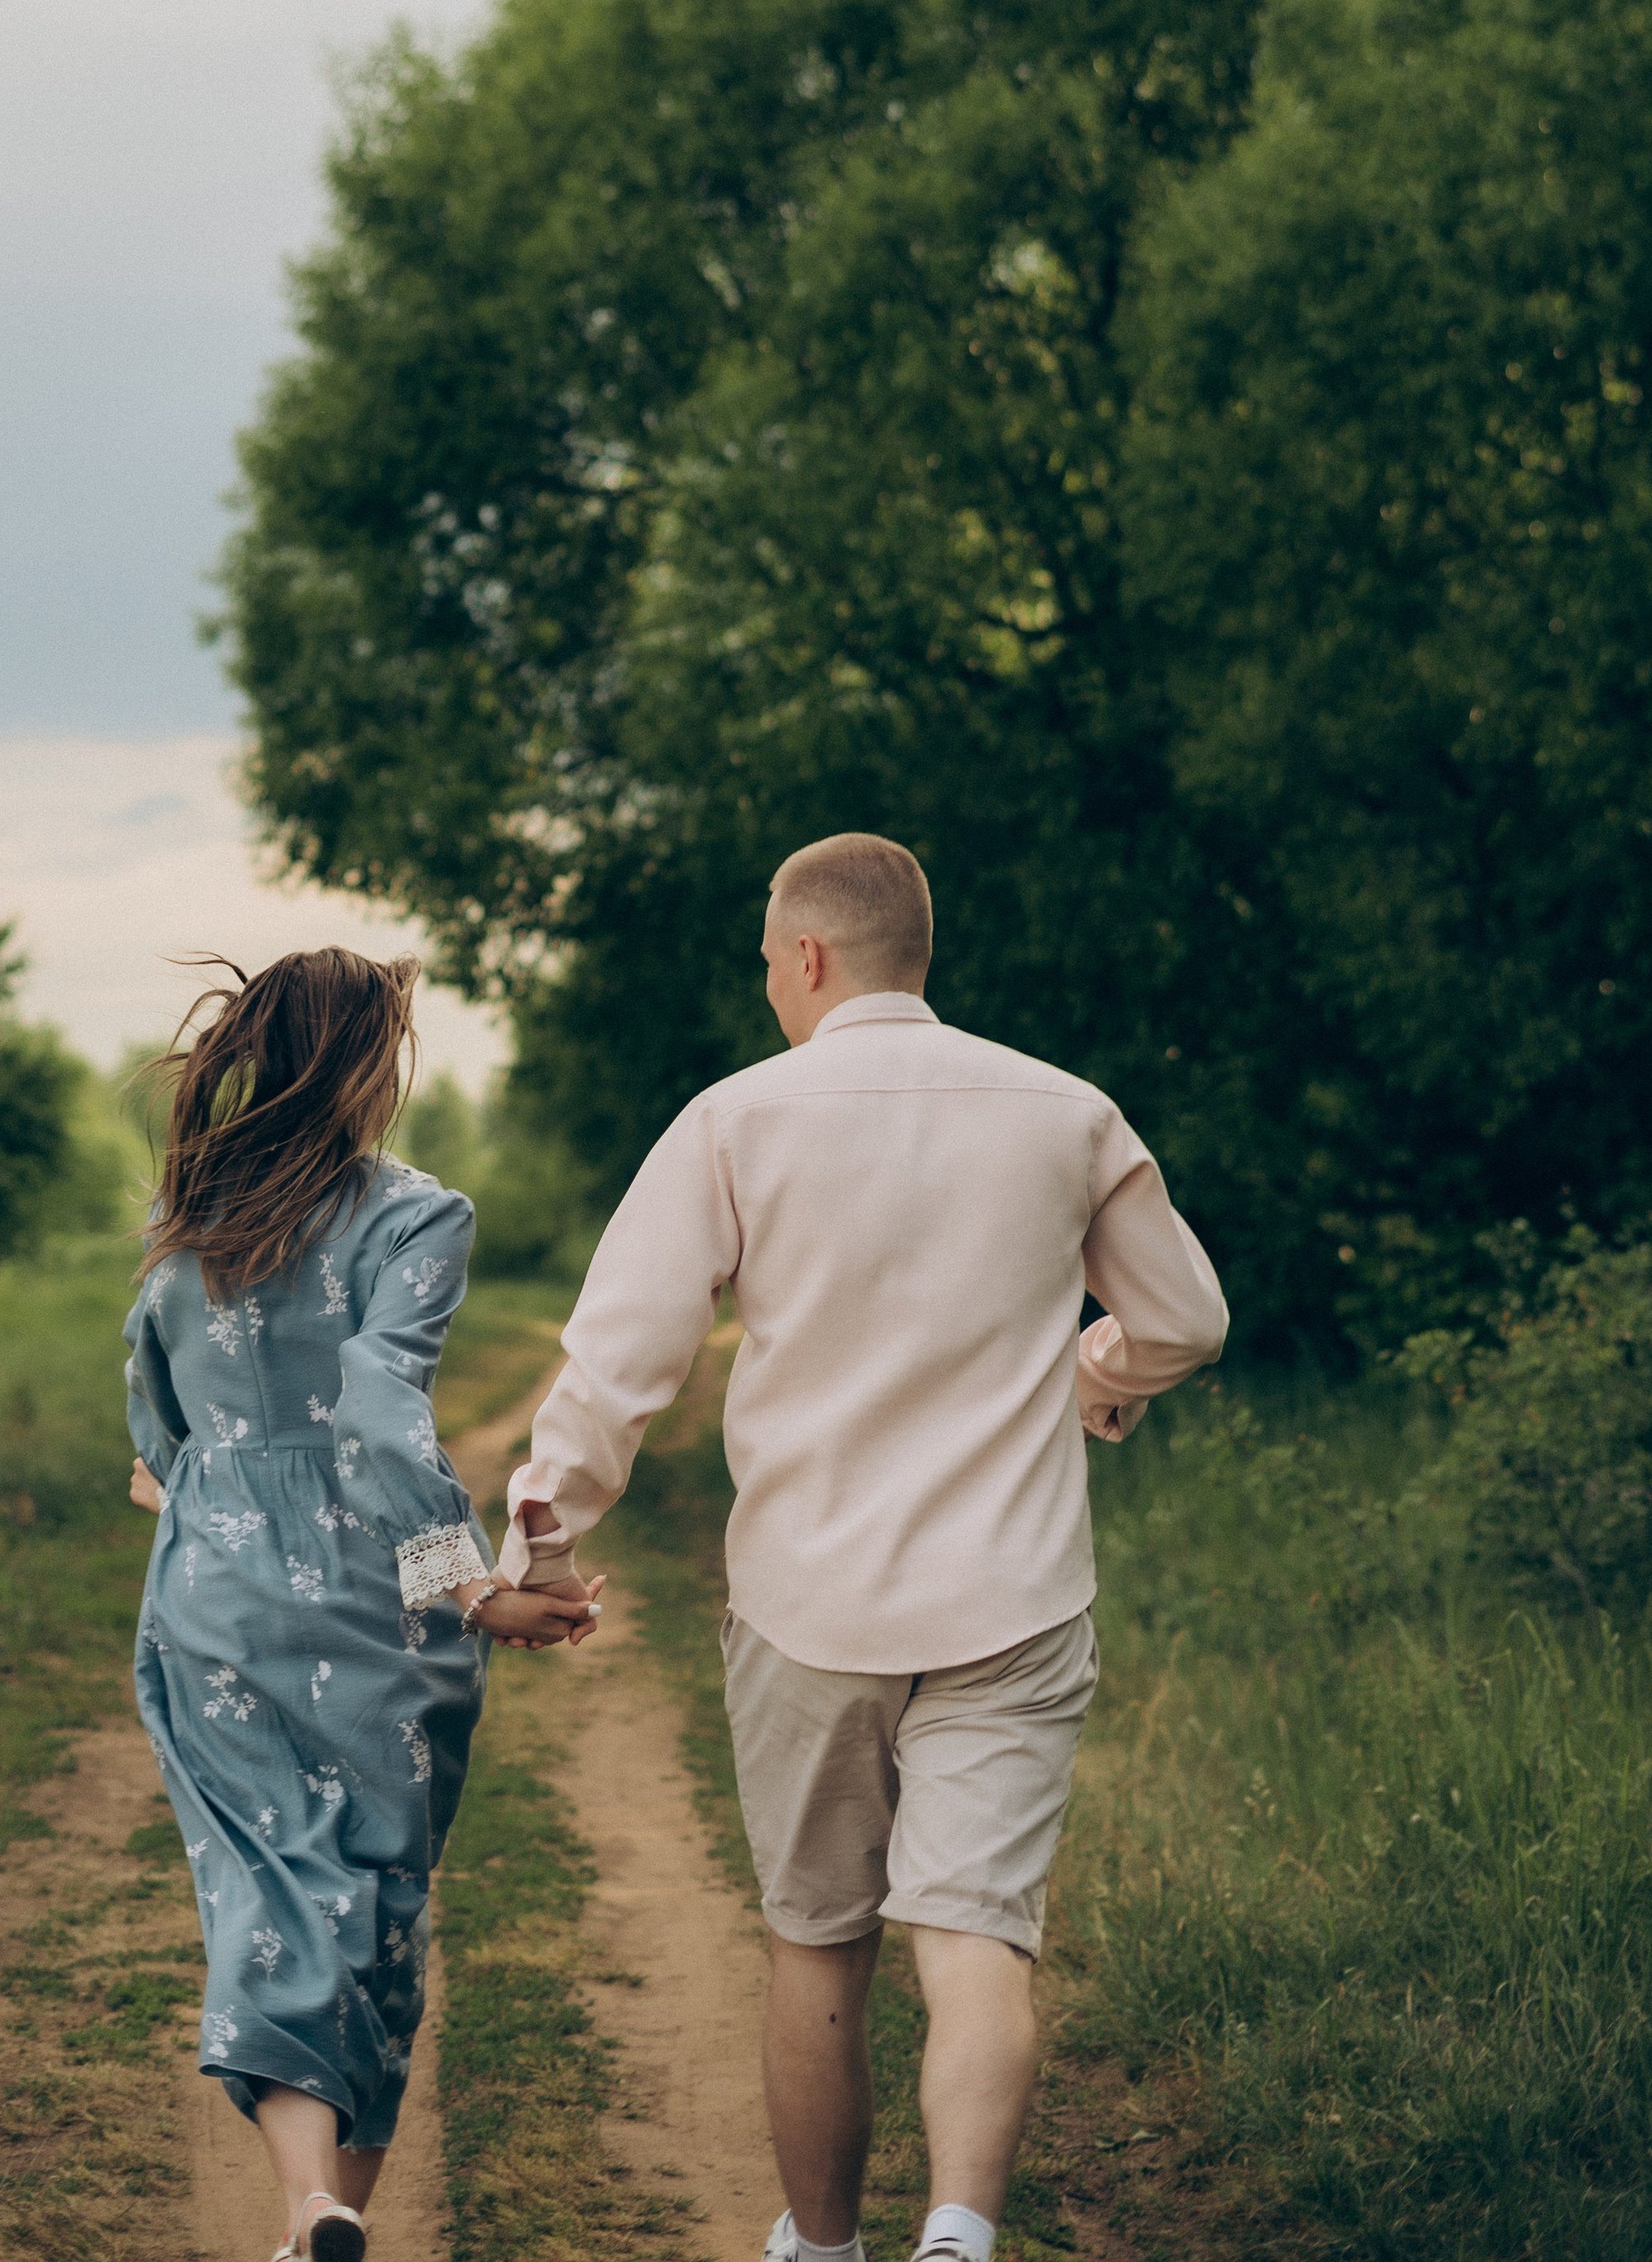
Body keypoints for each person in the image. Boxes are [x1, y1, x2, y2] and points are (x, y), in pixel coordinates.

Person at [495, 835, 1228, 2262]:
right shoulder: (1067, 1111)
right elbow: (1188, 1318)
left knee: (819, 1944)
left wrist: (545, 1536)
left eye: (770, 959)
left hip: (807, 1608)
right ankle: (957, 2234)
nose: (768, 983)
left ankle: (825, 2249)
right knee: (976, 1938)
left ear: (811, 955)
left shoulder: (734, 1119)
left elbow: (622, 1359)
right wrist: (1097, 1375)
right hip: (1014, 1602)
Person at [122, 947, 601, 2262]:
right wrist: (478, 1587)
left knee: (271, 1882)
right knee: (377, 1907)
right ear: (371, 1064)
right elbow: (382, 1418)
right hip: (371, 1597)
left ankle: (307, 2212)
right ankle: (331, 2214)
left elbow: (153, 1422)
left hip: (215, 1597)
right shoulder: (416, 1215)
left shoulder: (188, 1213)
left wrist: (211, 1491)